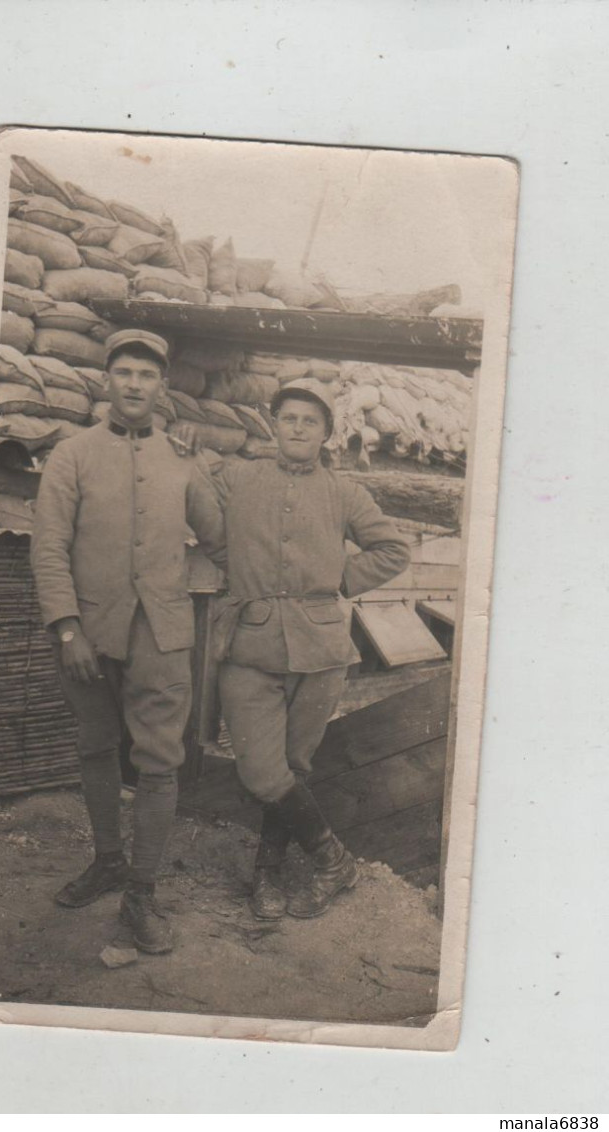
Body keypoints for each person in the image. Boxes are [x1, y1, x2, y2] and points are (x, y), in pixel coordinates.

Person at [30, 329, 226, 955]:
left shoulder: (180, 455)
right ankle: (108, 859)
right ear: (107, 382)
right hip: (90, 631)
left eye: (147, 374)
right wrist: (67, 627)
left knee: (159, 762)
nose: (136, 384)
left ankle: (141, 893)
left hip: (164, 634)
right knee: (95, 747)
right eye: (125, 374)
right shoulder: (73, 454)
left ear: (162, 385)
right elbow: (49, 546)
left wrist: (201, 463)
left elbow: (218, 536)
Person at [214, 377, 410, 921]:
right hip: (248, 646)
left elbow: (394, 548)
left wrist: (340, 578)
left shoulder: (344, 492)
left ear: (325, 434)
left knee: (293, 769)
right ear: (273, 425)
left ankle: (266, 875)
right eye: (288, 418)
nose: (298, 428)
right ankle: (335, 862)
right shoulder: (238, 477)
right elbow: (200, 506)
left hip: (321, 651)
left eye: (310, 421)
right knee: (261, 772)